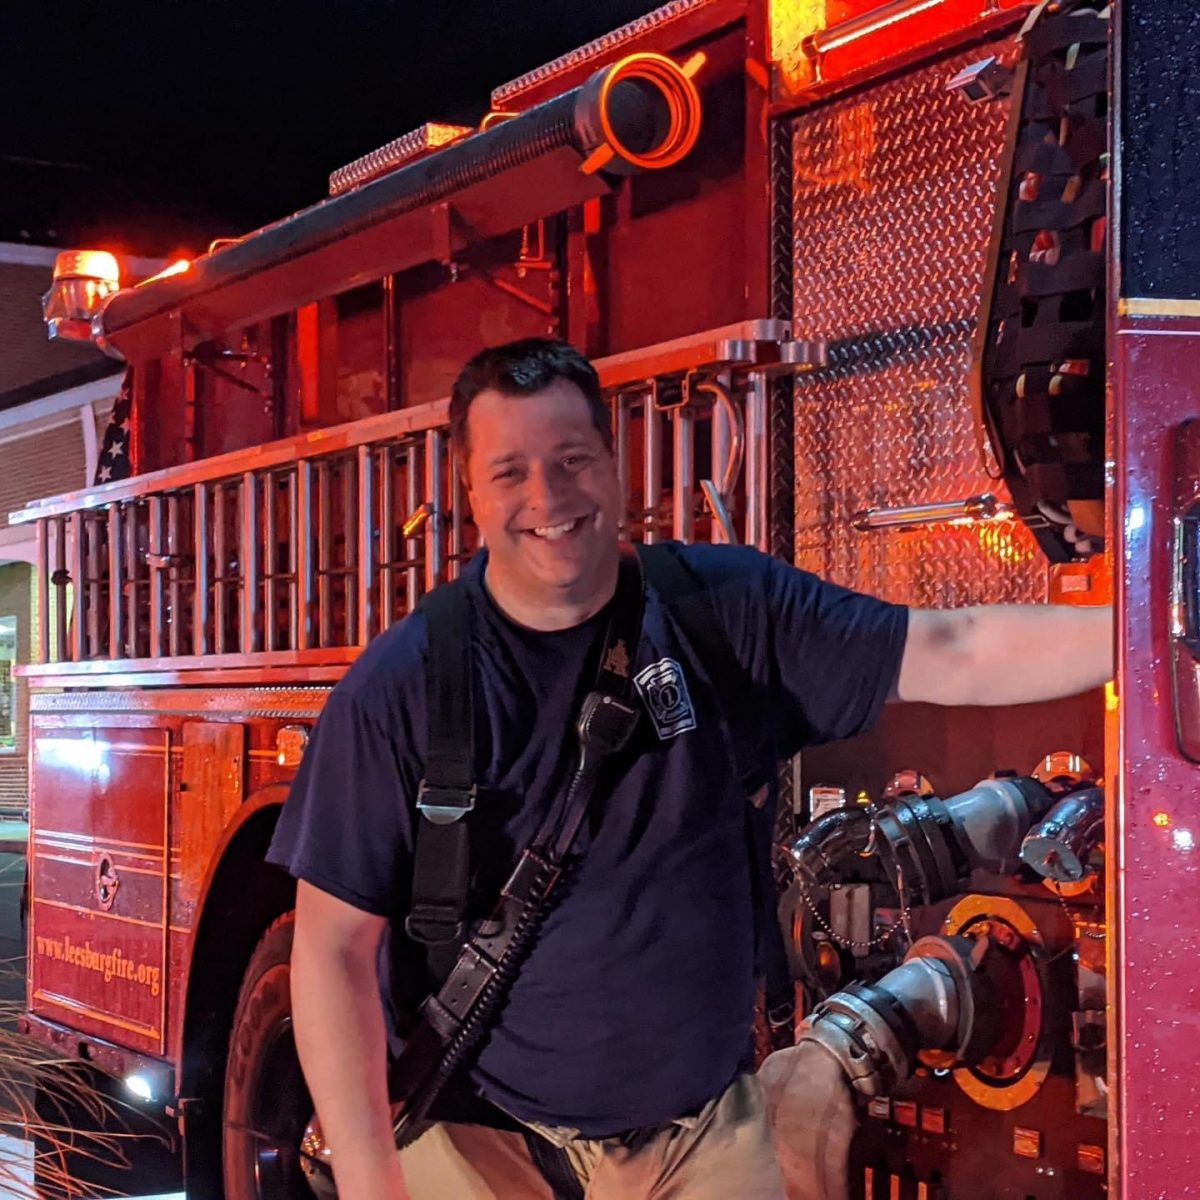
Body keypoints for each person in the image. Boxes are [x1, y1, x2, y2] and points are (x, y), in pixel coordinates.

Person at [266, 338, 1112, 1200]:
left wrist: (1154, 624)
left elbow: (955, 649)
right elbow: (333, 948)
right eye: (510, 471)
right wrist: (372, 1178)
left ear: (615, 463)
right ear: (468, 490)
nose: (548, 497)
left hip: (700, 1137)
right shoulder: (403, 686)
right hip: (481, 1146)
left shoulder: (724, 611)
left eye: (571, 461)